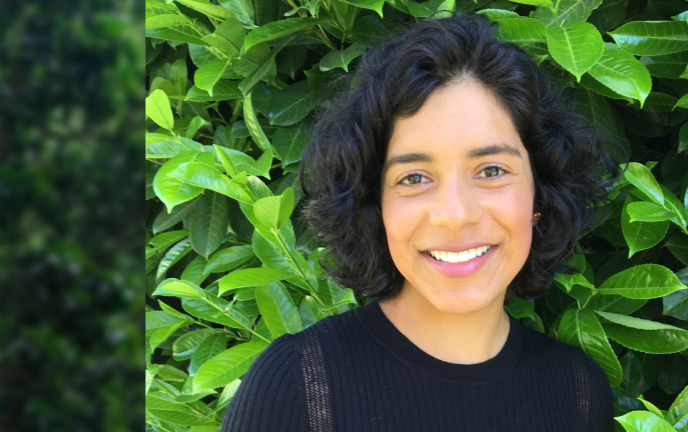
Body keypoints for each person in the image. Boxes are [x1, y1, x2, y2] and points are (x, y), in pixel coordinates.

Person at [222, 11, 623, 432]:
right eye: (413, 178)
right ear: (374, 204)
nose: (455, 214)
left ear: (540, 194)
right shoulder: (299, 382)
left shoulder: (579, 389)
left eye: (490, 171)